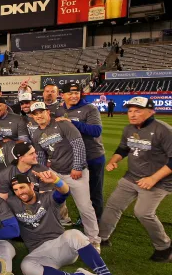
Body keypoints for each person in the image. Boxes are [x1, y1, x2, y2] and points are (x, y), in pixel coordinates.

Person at [7, 172, 124, 275]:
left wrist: (56, 180)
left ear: (31, 185)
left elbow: (64, 192)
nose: (20, 192)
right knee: (26, 267)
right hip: (40, 253)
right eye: (16, 190)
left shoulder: (47, 198)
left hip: (62, 246)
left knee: (74, 234)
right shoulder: (12, 203)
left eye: (22, 187)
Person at [99, 97, 172, 262]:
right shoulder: (129, 128)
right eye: (130, 110)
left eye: (137, 110)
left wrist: (153, 179)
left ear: (151, 111)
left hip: (158, 182)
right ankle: (101, 238)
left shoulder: (163, 130)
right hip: (132, 177)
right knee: (113, 205)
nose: (132, 114)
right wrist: (113, 160)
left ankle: (165, 247)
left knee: (143, 213)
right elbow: (123, 148)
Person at [30, 102, 101, 251]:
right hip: (55, 172)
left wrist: (77, 166)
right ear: (32, 116)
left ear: (47, 112)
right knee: (48, 202)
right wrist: (44, 172)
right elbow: (42, 156)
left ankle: (94, 239)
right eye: (35, 114)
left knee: (84, 206)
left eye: (41, 112)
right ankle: (54, 233)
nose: (39, 116)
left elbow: (78, 145)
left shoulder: (63, 124)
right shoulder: (36, 134)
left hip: (73, 172)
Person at [61, 84, 106, 222]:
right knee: (81, 192)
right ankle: (83, 217)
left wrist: (71, 123)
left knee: (94, 192)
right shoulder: (59, 109)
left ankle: (96, 223)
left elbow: (96, 131)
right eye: (70, 93)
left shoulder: (89, 108)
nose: (74, 95)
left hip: (93, 156)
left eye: (76, 92)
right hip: (73, 158)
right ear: (62, 95)